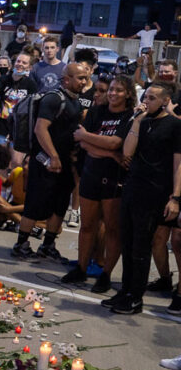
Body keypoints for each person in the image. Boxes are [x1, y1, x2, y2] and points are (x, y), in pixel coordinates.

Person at [105, 82, 181, 315]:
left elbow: (179, 164)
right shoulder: (143, 121)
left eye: (152, 98)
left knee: (141, 246)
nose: (146, 101)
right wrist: (137, 120)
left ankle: (136, 297)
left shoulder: (175, 126)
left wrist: (176, 197)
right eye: (145, 96)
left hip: (154, 192)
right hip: (132, 189)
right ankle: (126, 289)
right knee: (127, 242)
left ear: (165, 100)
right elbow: (127, 152)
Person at [62, 74, 135, 292]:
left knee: (113, 229)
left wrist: (89, 138)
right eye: (111, 89)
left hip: (115, 178)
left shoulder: (130, 116)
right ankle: (81, 269)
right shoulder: (96, 111)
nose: (113, 94)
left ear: (128, 94)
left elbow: (116, 142)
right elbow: (82, 142)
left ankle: (106, 274)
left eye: (118, 90)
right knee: (87, 226)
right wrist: (111, 153)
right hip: (91, 173)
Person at [11, 62, 90, 262]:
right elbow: (40, 129)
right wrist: (53, 156)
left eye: (85, 78)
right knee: (35, 204)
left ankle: (48, 246)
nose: (84, 82)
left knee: (60, 205)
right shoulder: (54, 99)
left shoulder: (76, 101)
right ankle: (21, 245)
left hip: (64, 164)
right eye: (80, 78)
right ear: (66, 79)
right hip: (45, 161)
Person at [0, 51, 38, 155]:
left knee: (16, 162)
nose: (20, 64)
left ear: (29, 67)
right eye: (18, 61)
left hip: (19, 127)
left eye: (24, 63)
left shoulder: (30, 84)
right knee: (0, 160)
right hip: (1, 124)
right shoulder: (4, 79)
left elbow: (33, 107)